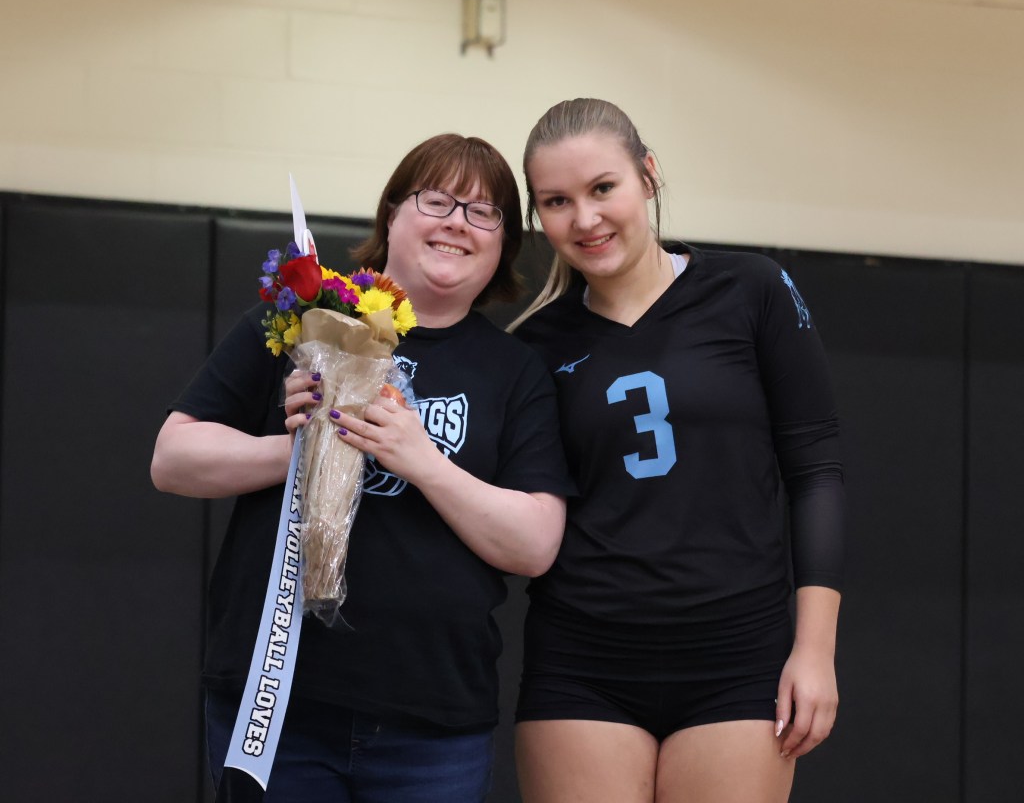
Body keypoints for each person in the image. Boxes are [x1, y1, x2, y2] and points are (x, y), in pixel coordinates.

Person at [150, 133, 574, 802]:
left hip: (432, 722)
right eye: (436, 201)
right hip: (276, 701)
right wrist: (302, 449)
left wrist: (422, 461)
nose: (457, 223)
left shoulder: (517, 371)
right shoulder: (303, 322)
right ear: (391, 214)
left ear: (504, 245)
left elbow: (535, 544)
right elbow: (172, 459)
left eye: (483, 211)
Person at [509, 98, 845, 803]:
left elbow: (816, 470)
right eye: (557, 201)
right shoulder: (534, 345)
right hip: (583, 659)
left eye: (603, 187)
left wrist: (815, 652)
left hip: (737, 656)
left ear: (648, 175)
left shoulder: (750, 290)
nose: (585, 218)